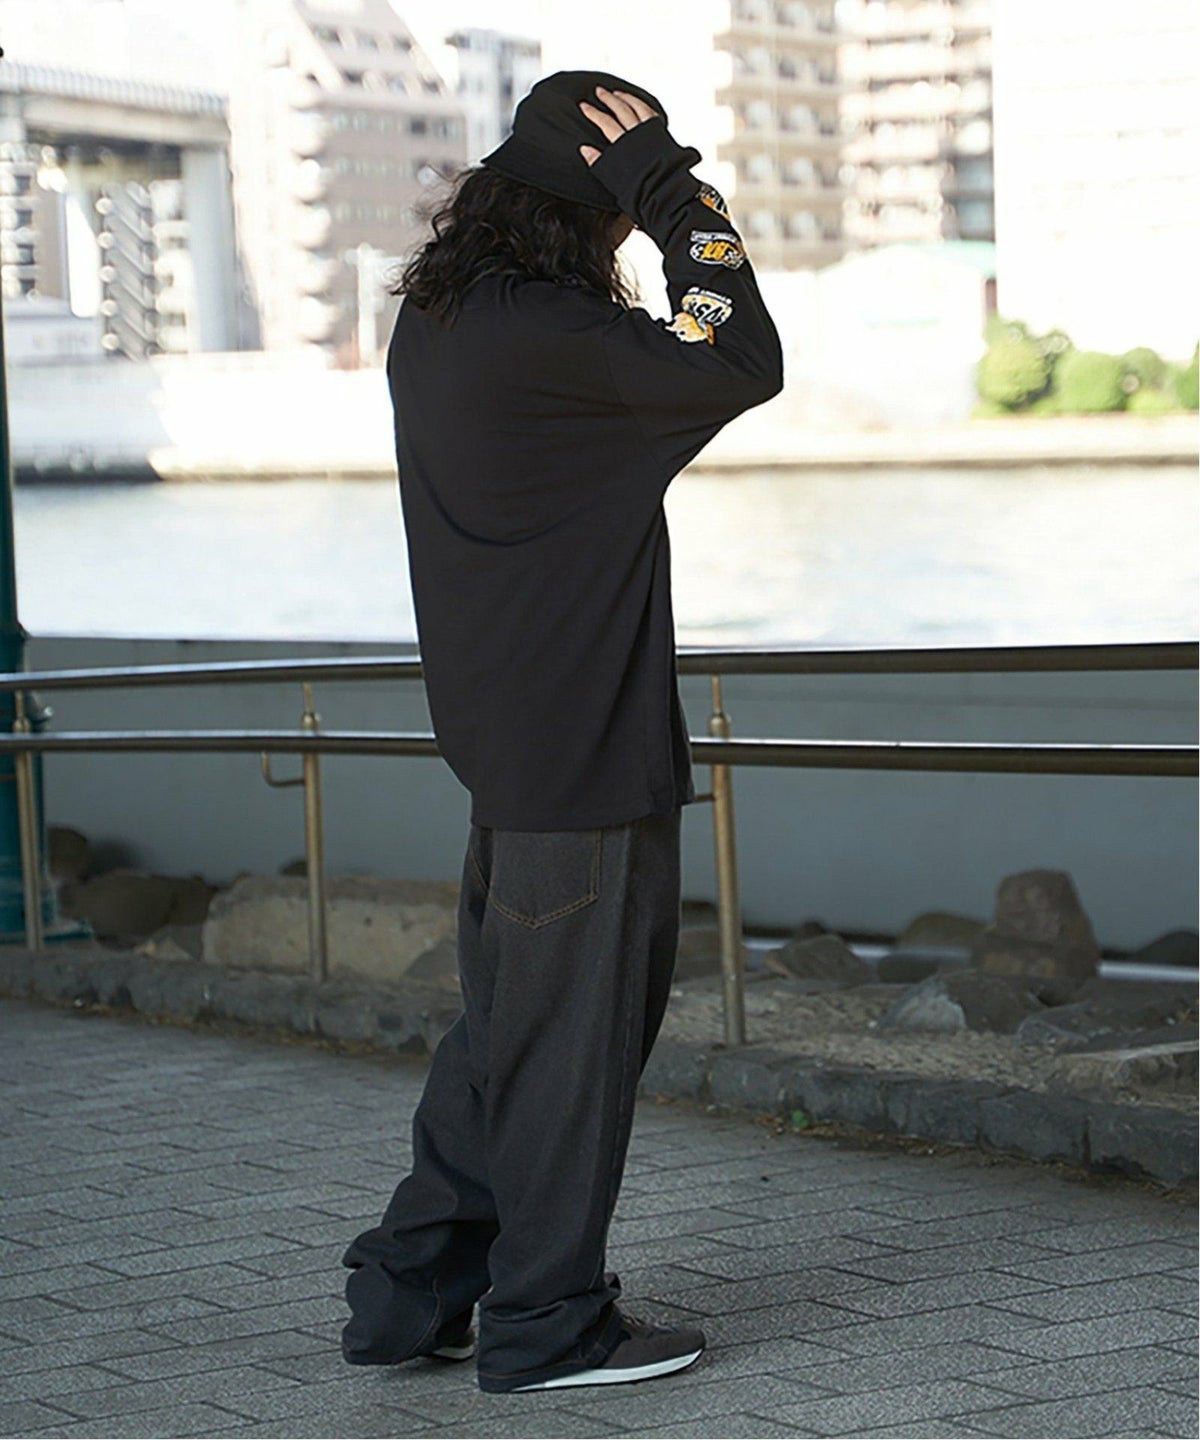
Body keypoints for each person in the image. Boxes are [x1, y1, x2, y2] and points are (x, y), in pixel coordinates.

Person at [340, 69, 784, 1395]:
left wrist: (638, 186)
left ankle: (414, 1292)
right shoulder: (554, 334)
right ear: (596, 203)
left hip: (515, 745)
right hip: (582, 757)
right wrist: (674, 192)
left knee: (510, 1039)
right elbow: (740, 358)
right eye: (622, 205)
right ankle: (547, 1323)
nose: (629, 233)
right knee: (568, 1055)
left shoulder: (446, 319)